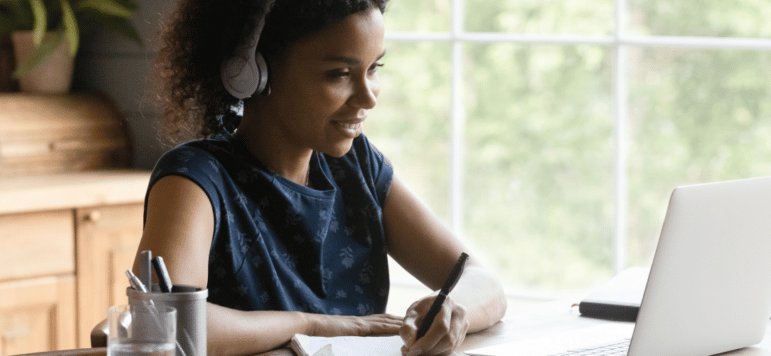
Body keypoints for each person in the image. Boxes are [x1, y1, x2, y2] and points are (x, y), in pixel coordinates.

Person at [138, 0, 507, 355]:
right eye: (339, 74)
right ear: (252, 72)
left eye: (374, 69)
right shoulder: (195, 179)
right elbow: (163, 326)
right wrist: (313, 325)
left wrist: (453, 311)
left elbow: (481, 280)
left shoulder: (358, 166)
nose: (368, 97)